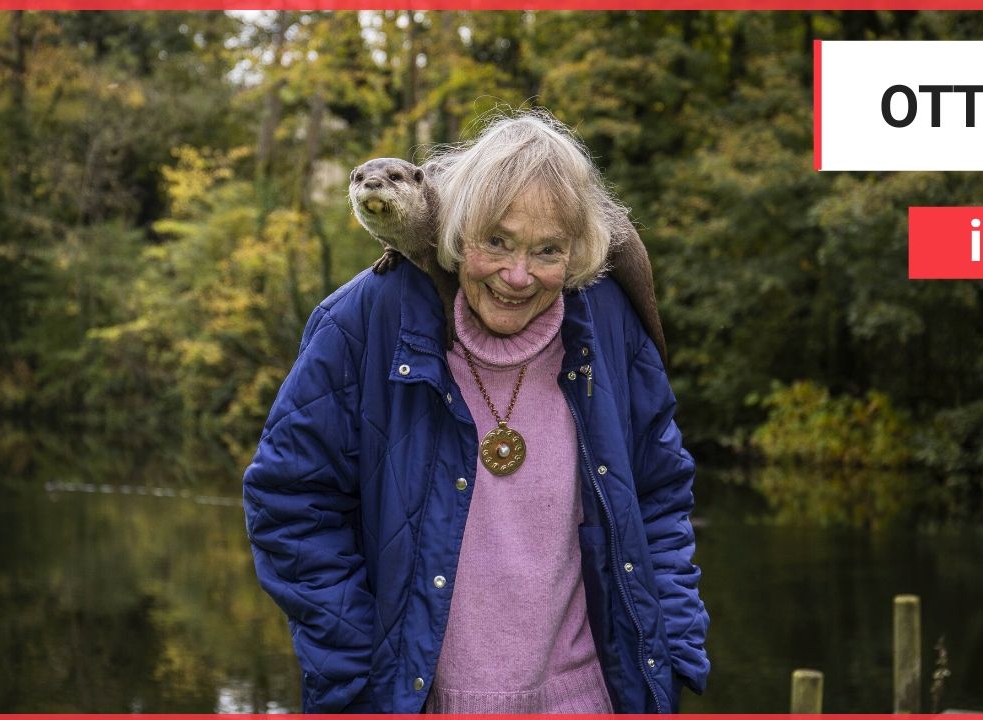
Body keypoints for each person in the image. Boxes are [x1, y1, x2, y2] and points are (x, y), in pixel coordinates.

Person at [242, 111, 709, 714]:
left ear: (578, 251)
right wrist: (358, 671)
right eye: (497, 241)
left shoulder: (609, 325)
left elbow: (661, 496)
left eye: (547, 250)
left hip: (593, 701)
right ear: (458, 230)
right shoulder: (364, 323)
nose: (518, 275)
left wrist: (671, 649)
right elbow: (289, 503)